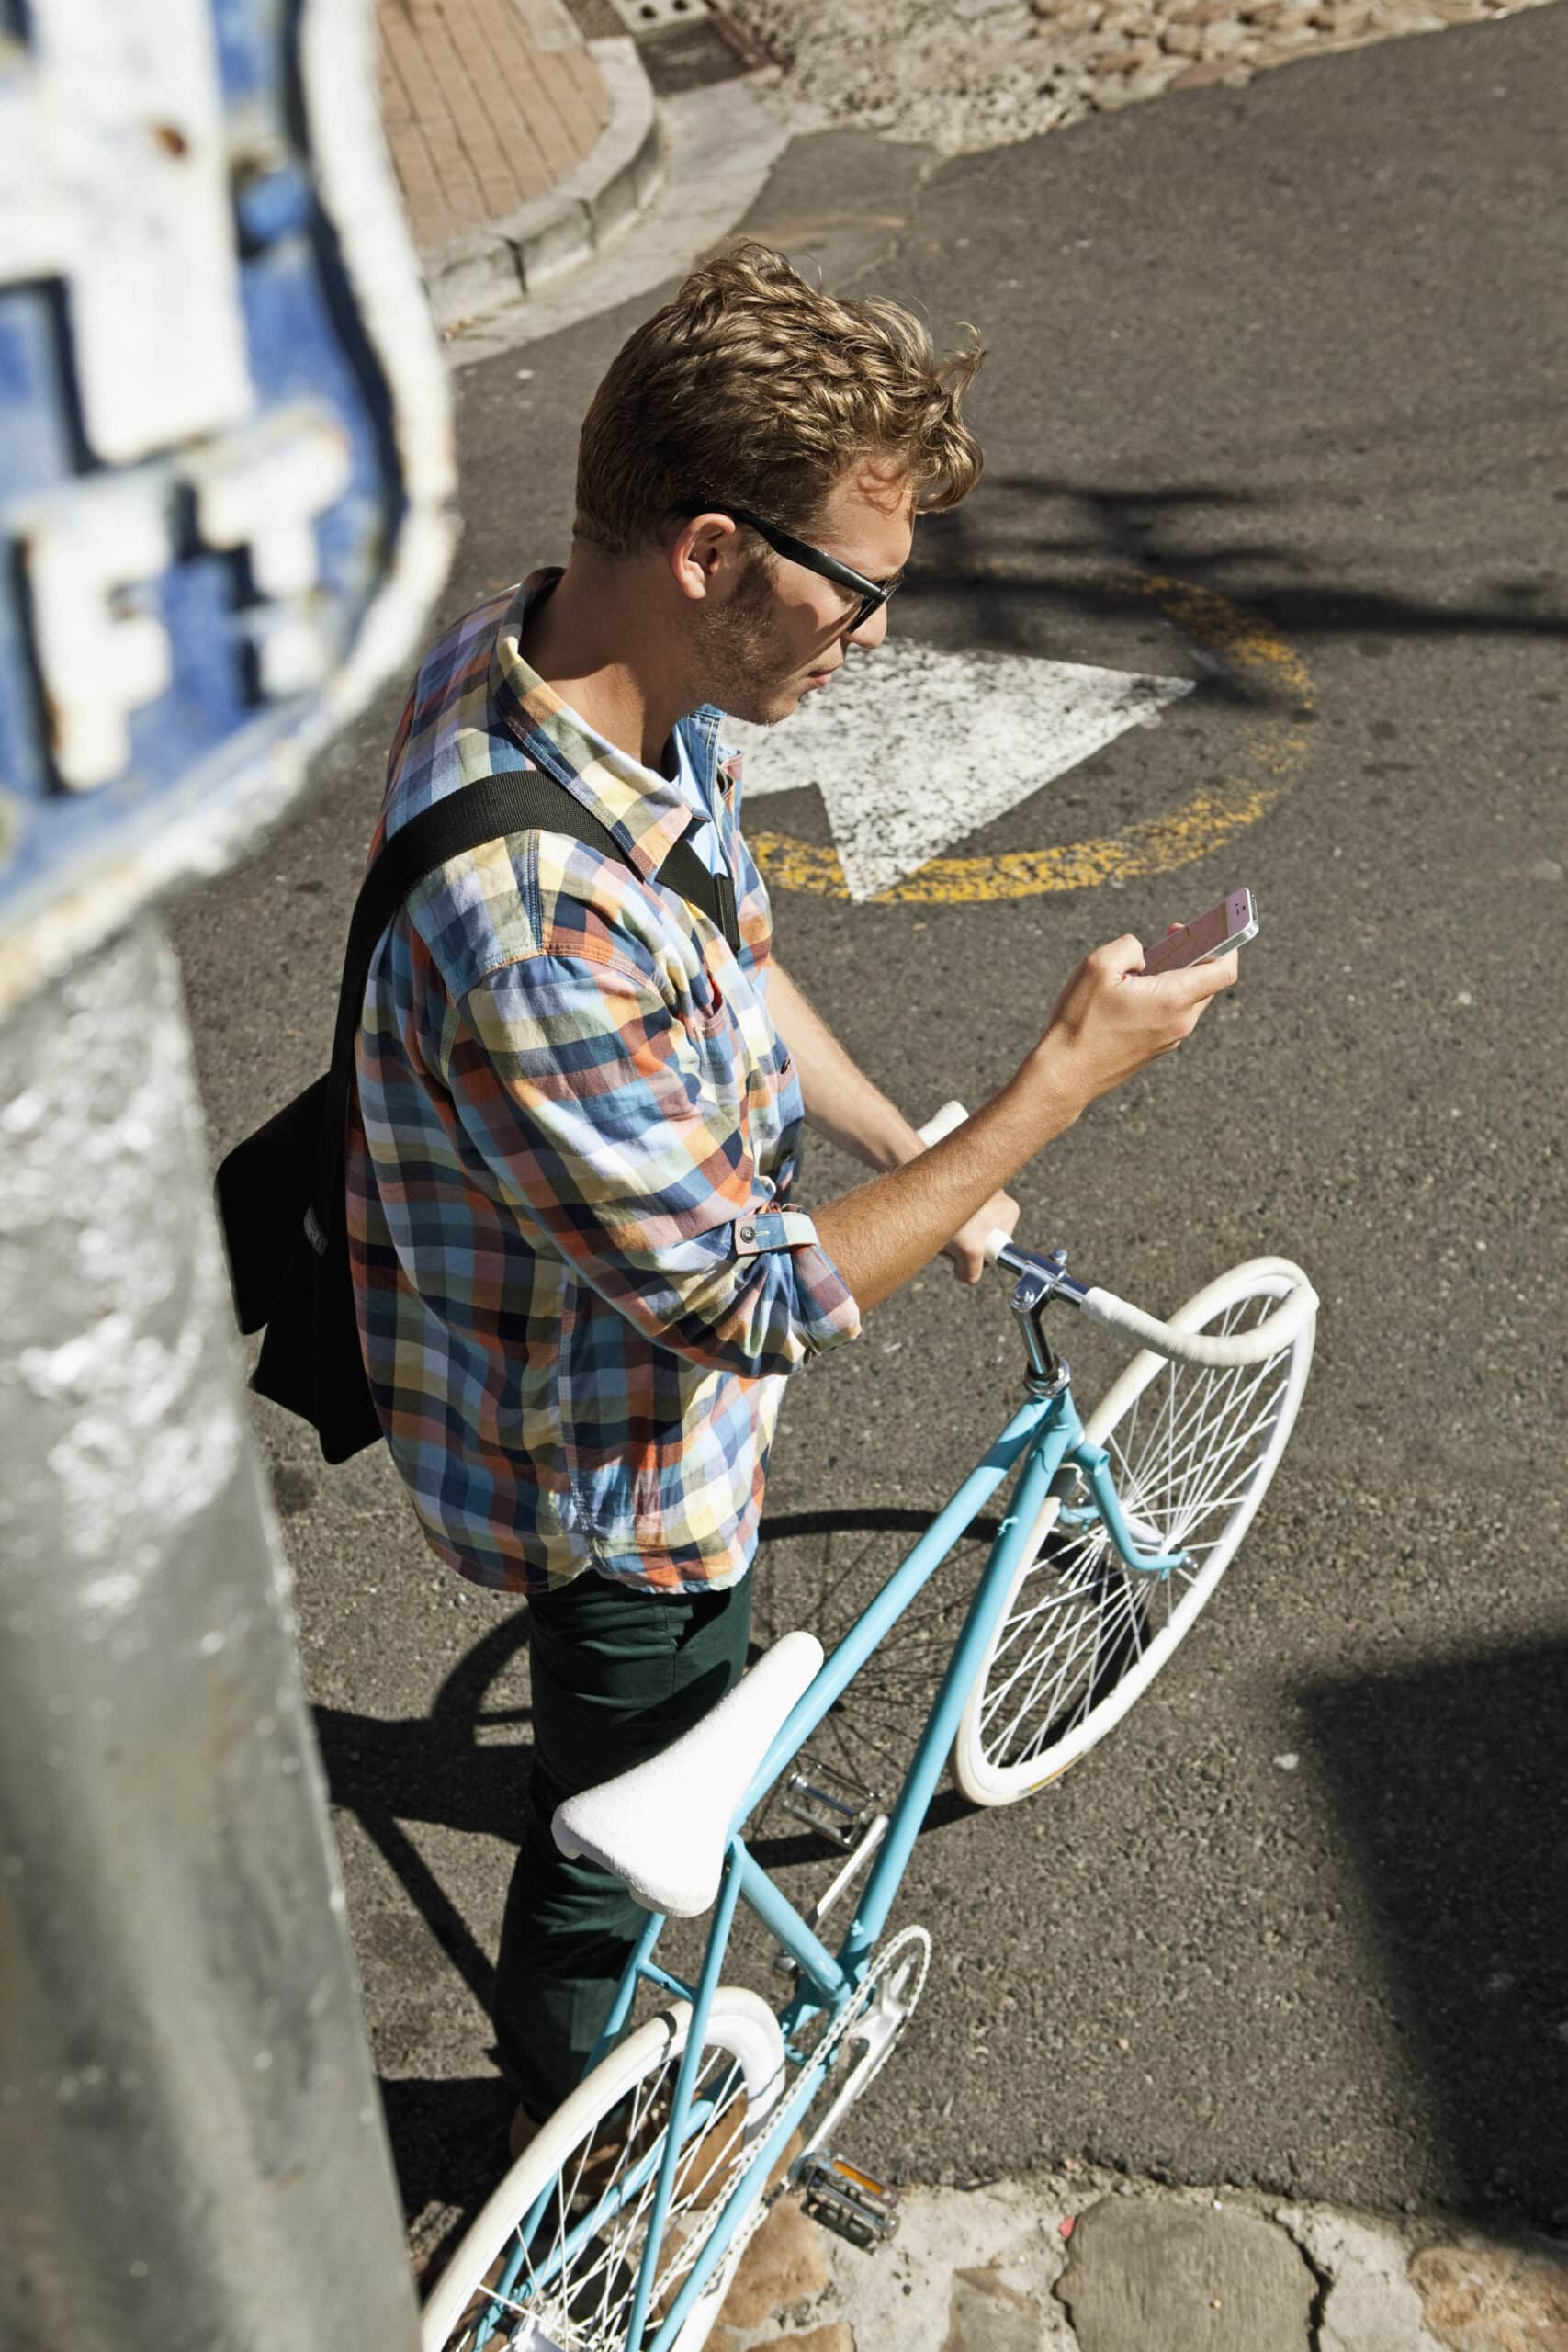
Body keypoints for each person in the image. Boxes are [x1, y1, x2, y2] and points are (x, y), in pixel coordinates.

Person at [345, 241, 1235, 2155]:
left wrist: (904, 1151)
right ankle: (568, 2110)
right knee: (620, 1834)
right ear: (708, 551)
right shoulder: (529, 924)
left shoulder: (590, 684)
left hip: (622, 1361)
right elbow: (746, 1303)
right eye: (858, 588)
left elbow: (730, 953)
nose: (877, 635)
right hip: (621, 1478)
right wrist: (1041, 1095)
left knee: (645, 1763)